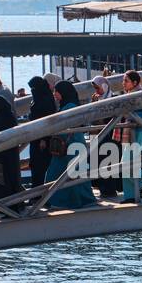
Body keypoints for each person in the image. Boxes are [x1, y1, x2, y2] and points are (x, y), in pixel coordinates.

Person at [44, 80, 97, 211]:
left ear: (63, 92)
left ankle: (67, 201)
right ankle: (76, 200)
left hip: (71, 145)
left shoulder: (70, 106)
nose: (54, 94)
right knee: (71, 173)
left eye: (57, 91)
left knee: (64, 173)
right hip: (70, 144)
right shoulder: (69, 104)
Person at [118, 70, 142, 203]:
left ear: (134, 82)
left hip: (138, 132)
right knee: (128, 164)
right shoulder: (131, 94)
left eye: (126, 80)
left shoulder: (140, 95)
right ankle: (131, 195)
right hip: (131, 131)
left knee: (126, 164)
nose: (123, 83)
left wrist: (131, 117)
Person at [25, 75, 58, 189]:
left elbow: (47, 120)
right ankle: (36, 192)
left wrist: (43, 139)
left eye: (33, 88)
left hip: (42, 140)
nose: (32, 91)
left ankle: (39, 194)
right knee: (35, 165)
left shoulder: (46, 100)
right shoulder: (40, 98)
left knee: (41, 166)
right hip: (35, 138)